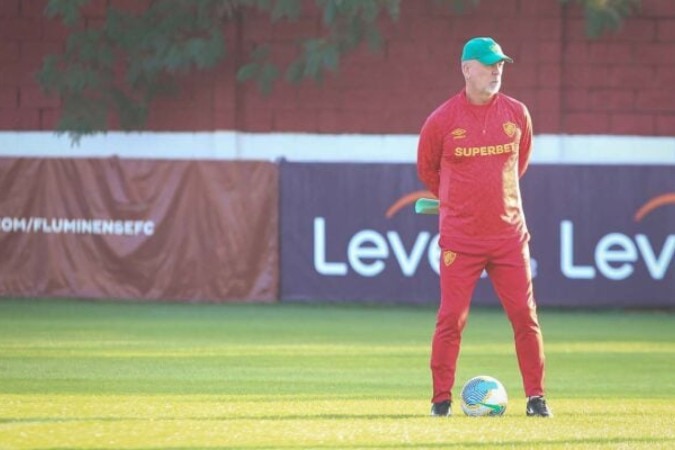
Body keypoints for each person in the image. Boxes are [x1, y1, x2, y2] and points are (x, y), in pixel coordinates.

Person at [416, 37, 552, 417]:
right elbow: (428, 170)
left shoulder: (517, 114)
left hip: (509, 236)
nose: (496, 70)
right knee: (451, 318)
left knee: (525, 317)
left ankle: (536, 398)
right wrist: (460, 202)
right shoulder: (442, 120)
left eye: (501, 64)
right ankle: (440, 400)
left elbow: (518, 166)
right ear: (466, 69)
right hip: (461, 238)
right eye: (489, 64)